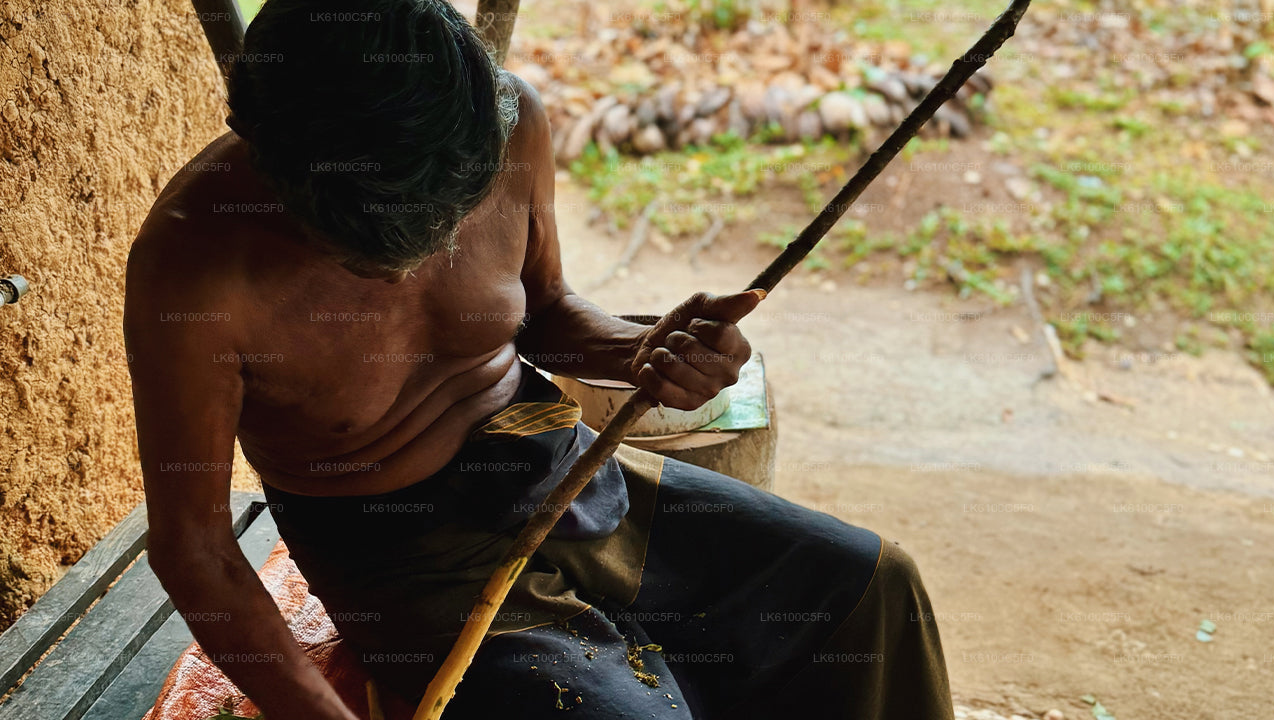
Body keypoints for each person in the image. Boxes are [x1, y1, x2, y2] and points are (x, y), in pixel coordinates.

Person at [124, 1, 953, 717]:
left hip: (564, 468)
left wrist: (641, 350)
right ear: (270, 163)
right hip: (400, 558)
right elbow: (194, 548)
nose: (417, 269)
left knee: (870, 590)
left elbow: (546, 311)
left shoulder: (507, 122)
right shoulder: (192, 267)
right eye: (366, 253)